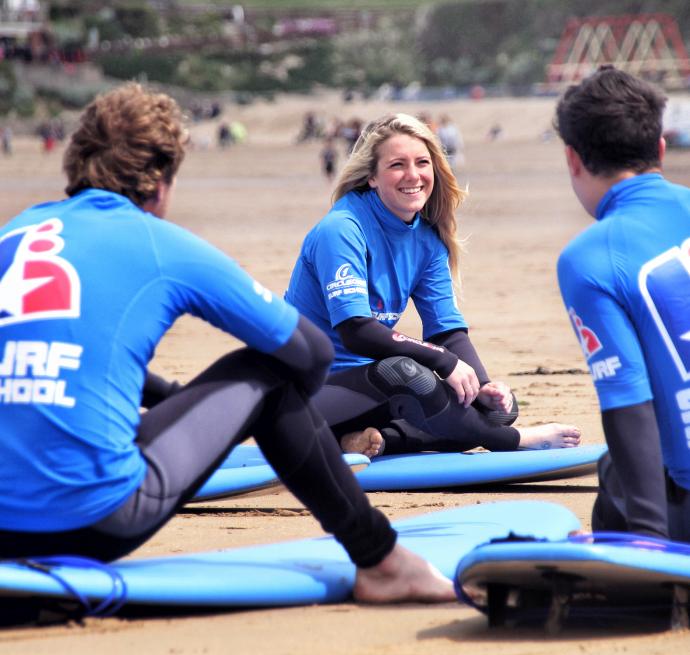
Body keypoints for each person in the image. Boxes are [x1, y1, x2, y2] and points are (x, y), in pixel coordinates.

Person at [0, 83, 455, 604]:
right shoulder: (159, 242)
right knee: (270, 375)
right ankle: (383, 561)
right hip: (88, 520)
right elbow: (310, 353)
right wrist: (240, 417)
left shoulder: (15, 232)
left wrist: (176, 401)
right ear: (163, 179)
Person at [285, 113, 580, 459]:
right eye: (397, 165)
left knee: (497, 409)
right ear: (372, 177)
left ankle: (370, 441)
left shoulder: (426, 239)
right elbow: (356, 331)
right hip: (299, 395)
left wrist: (484, 385)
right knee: (407, 373)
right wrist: (444, 362)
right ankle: (515, 440)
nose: (413, 175)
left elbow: (446, 330)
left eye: (422, 163)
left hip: (364, 395)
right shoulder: (342, 230)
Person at [556, 65, 690, 542]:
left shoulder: (590, 257)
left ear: (573, 159)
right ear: (659, 147)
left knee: (614, 472)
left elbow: (627, 402)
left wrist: (648, 548)